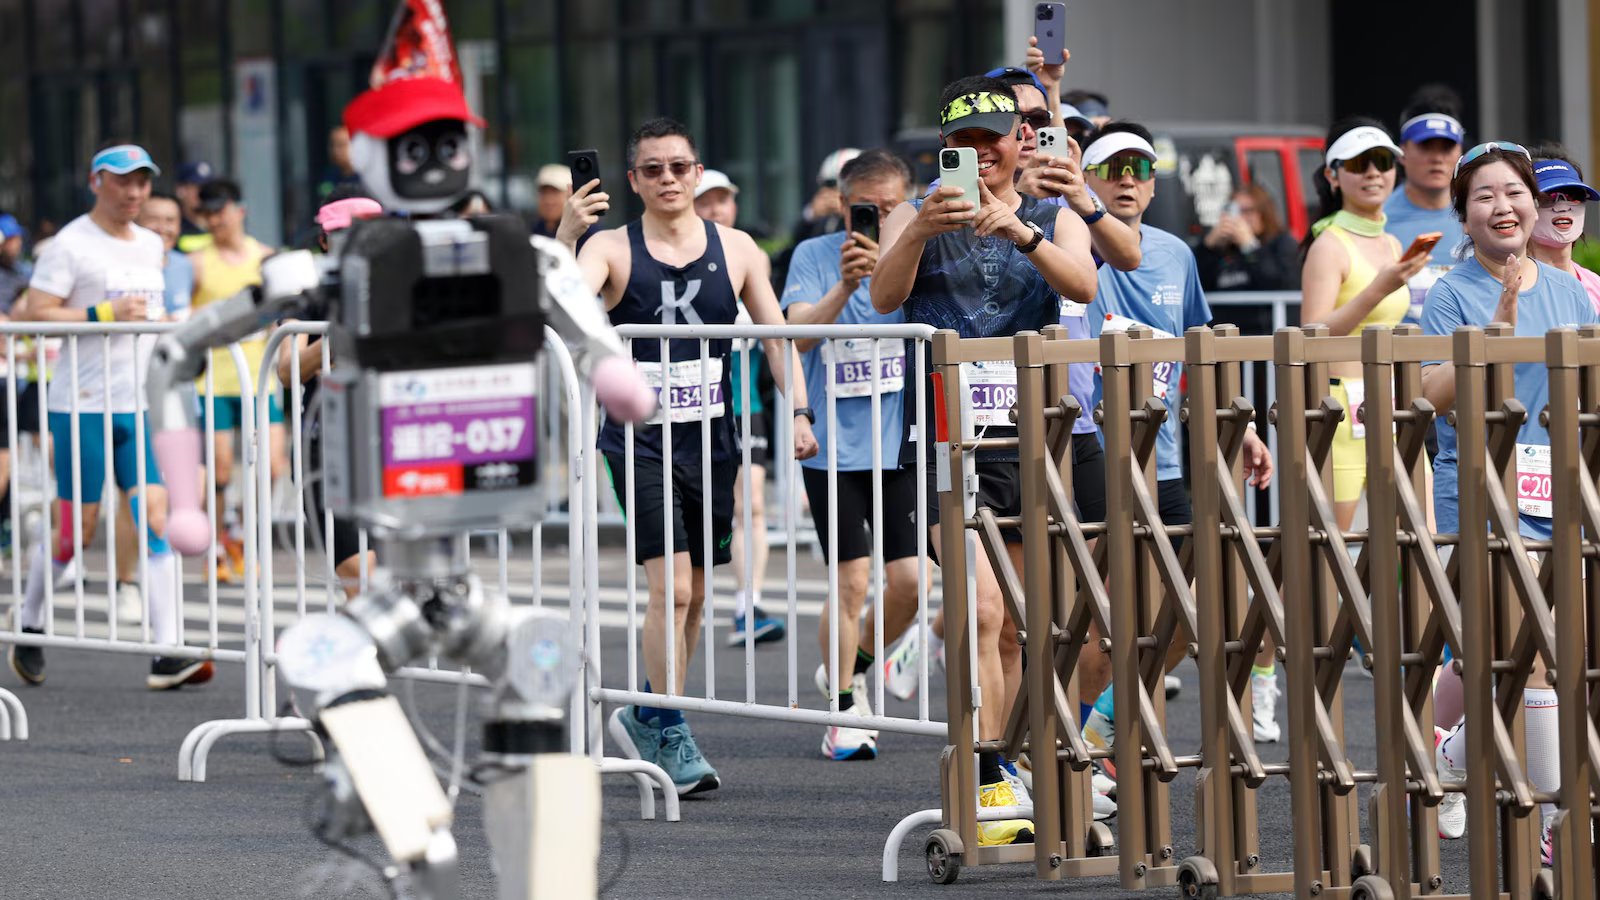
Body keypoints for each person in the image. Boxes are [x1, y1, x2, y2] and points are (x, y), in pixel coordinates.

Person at [872, 75, 1100, 845]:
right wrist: (914, 231)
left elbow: (1084, 283)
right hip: (941, 434)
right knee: (983, 608)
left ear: (1018, 141)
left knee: (1019, 626)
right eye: (960, 144)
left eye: (990, 140)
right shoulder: (917, 211)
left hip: (1027, 434)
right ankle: (980, 769)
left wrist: (1019, 231)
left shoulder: (1050, 212)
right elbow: (881, 297)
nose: (977, 155)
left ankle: (1005, 764)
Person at [583, 118, 819, 796]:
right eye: (652, 169)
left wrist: (798, 410)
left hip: (709, 437)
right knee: (673, 587)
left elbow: (775, 336)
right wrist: (572, 233)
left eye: (678, 167)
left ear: (696, 173)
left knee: (696, 597)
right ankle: (674, 726)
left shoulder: (739, 248)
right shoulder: (610, 247)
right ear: (633, 181)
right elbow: (567, 303)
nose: (667, 179)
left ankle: (651, 710)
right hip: (639, 438)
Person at [1077, 122, 1273, 771]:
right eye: (1113, 168)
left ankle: (1105, 721)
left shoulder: (1175, 253)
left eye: (1140, 168)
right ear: (1089, 179)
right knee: (1104, 619)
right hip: (1089, 454)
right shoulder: (1071, 242)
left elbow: (1197, 348)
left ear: (1155, 182)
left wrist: (1238, 425)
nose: (1128, 179)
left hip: (1161, 460)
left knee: (1189, 611)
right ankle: (1098, 762)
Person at [1420, 141, 1594, 861]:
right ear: (1464, 215)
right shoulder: (1450, 292)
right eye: (1485, 196)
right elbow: (1430, 394)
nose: (1505, 207)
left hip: (1558, 485)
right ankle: (1558, 822)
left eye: (1514, 192)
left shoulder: (1568, 289)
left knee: (1548, 656)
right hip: (1482, 487)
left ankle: (1458, 751)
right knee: (1535, 655)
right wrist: (1502, 312)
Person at [7, 144, 211, 690]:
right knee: (78, 530)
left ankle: (167, 650)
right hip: (81, 404)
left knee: (156, 515)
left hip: (139, 400)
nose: (135, 193)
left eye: (143, 183)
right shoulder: (70, 245)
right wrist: (101, 314)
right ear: (97, 181)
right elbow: (34, 313)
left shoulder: (150, 244)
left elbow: (151, 312)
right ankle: (29, 623)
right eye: (124, 182)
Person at [782, 149, 924, 760]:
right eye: (864, 210)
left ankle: (855, 663)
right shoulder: (815, 257)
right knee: (852, 580)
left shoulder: (920, 253)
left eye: (890, 209)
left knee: (911, 584)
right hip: (832, 450)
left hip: (897, 444)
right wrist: (846, 283)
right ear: (842, 206)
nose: (876, 220)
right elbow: (799, 333)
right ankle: (841, 710)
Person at [1299, 119, 1427, 545]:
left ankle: (1402, 616)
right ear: (1333, 176)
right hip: (1341, 408)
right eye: (1358, 163)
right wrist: (1380, 288)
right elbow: (1311, 332)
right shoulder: (1329, 244)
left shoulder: (1391, 242)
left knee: (1415, 537)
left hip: (1393, 402)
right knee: (1333, 545)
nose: (1373, 172)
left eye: (1382, 161)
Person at [691, 168, 784, 644]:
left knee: (752, 504)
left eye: (723, 201)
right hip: (693, 406)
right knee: (715, 509)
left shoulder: (747, 254)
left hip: (745, 404)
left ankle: (750, 603)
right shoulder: (683, 256)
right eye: (706, 201)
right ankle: (702, 595)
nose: (715, 209)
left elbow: (775, 334)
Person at [277, 190, 385, 598]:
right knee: (363, 577)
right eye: (343, 234)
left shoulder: (403, 287)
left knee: (389, 586)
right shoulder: (308, 292)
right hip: (326, 452)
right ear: (324, 240)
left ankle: (366, 655)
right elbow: (286, 369)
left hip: (394, 445)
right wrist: (337, 344)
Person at [189, 177, 288, 584]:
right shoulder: (196, 262)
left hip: (258, 378)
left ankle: (243, 538)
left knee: (273, 467)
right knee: (221, 471)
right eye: (207, 214)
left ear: (239, 209)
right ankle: (215, 548)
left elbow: (282, 313)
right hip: (212, 381)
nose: (214, 221)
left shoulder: (265, 258)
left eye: (220, 211)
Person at [1385, 94, 1467, 325]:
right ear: (1402, 152)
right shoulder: (1379, 218)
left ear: (1460, 151)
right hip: (1397, 353)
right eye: (1426, 146)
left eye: (1446, 147)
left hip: (1466, 351)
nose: (1437, 158)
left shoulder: (1481, 215)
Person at [1526, 144, 1600, 312]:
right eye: (1547, 197)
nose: (1562, 207)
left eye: (1574, 196)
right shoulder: (1510, 283)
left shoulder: (1596, 285)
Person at [1196, 183, 1301, 291]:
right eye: (1234, 211)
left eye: (1247, 211)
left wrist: (1250, 246)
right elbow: (1195, 285)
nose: (1240, 218)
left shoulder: (1282, 243)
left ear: (1263, 213)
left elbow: (1280, 284)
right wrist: (1208, 246)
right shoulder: (1225, 249)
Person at [174, 160, 213, 252]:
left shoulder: (220, 224)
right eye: (198, 188)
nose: (204, 193)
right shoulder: (174, 226)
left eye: (208, 188)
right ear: (180, 190)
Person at [317, 125, 363, 202]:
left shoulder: (366, 179)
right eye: (332, 145)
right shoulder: (328, 177)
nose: (335, 151)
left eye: (342, 145)